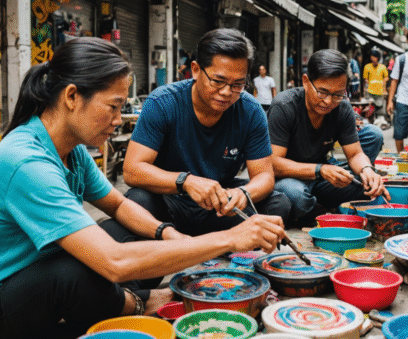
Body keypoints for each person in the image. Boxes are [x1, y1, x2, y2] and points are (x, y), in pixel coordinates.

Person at [0, 37, 286, 339]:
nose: (119, 119)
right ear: (72, 96)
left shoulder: (71, 152)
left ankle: (118, 304)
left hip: (29, 287)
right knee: (78, 269)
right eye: (114, 106)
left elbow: (119, 206)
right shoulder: (26, 163)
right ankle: (135, 303)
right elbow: (114, 262)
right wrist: (228, 239)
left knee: (121, 229)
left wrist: (172, 237)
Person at [123, 29, 291, 237]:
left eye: (238, 84)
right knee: (137, 201)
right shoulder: (163, 103)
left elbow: (264, 175)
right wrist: (186, 182)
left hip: (221, 205)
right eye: (218, 81)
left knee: (278, 203)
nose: (227, 92)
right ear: (195, 70)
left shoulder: (251, 110)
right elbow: (132, 170)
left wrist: (243, 194)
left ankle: (198, 241)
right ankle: (202, 239)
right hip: (172, 200)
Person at [268, 49, 387, 223]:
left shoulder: (342, 108)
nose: (328, 101)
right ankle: (322, 212)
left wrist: (366, 170)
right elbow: (274, 164)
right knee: (295, 195)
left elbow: (354, 154)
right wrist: (321, 170)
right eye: (322, 92)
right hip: (289, 178)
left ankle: (316, 205)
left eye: (338, 94)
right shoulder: (284, 106)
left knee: (369, 187)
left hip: (322, 177)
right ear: (306, 81)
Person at [362, 50, 388, 121]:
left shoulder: (382, 67)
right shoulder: (367, 67)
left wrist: (384, 89)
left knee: (380, 108)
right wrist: (365, 90)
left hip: (380, 91)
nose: (373, 58)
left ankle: (380, 121)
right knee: (369, 109)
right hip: (370, 91)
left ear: (378, 58)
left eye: (375, 57)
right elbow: (365, 79)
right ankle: (371, 121)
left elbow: (386, 78)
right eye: (372, 56)